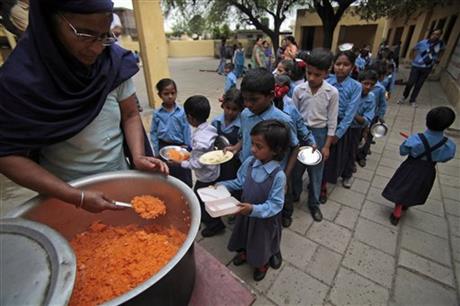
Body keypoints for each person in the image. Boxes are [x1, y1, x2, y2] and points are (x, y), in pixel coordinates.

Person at [0, 0, 168, 213]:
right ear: (50, 22)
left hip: (119, 176)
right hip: (63, 194)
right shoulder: (18, 81)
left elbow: (130, 114)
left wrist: (137, 156)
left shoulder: (112, 62)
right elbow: (6, 155)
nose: (97, 48)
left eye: (104, 36)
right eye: (85, 35)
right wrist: (75, 196)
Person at [224, 68, 299, 227]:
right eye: (245, 99)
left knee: (270, 207)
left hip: (271, 176)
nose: (248, 104)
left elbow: (295, 147)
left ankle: (283, 217)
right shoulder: (245, 114)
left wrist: (286, 176)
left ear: (271, 95)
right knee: (249, 198)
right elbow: (244, 136)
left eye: (254, 100)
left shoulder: (283, 120)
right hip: (249, 170)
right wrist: (236, 147)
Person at [218, 120, 289, 281]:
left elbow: (276, 204)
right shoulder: (250, 162)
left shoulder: (278, 176)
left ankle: (261, 263)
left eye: (259, 146)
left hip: (264, 221)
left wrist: (254, 210)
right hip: (245, 214)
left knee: (261, 243)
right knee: (244, 235)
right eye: (252, 144)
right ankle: (244, 253)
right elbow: (240, 181)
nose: (252, 149)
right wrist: (222, 185)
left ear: (276, 150)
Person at [382, 107, 456, 226]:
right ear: (447, 125)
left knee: (403, 185)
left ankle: (397, 212)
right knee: (417, 188)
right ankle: (407, 204)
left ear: (427, 121)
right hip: (428, 169)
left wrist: (411, 144)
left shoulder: (416, 139)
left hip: (411, 166)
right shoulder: (448, 145)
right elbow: (446, 158)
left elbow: (403, 151)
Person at [291, 48, 339, 221]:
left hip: (319, 135)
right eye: (308, 73)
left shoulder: (332, 93)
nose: (311, 78)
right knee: (296, 171)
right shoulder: (298, 90)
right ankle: (295, 195)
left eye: (317, 75)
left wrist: (326, 146)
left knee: (316, 173)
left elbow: (332, 121)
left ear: (326, 73)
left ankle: (314, 204)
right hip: (300, 134)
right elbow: (293, 117)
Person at [273, 74, 316, 225]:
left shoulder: (290, 107)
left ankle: (287, 213)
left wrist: (311, 141)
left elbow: (300, 125)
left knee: (286, 183)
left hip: (285, 153)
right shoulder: (264, 106)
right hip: (268, 151)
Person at [179, 95, 222, 237]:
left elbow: (197, 163)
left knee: (201, 199)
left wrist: (181, 162)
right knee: (207, 197)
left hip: (205, 175)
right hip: (213, 171)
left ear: (190, 118)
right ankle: (210, 219)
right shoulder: (208, 128)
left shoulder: (199, 139)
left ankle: (214, 224)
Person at [321, 50, 362, 200]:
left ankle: (324, 185)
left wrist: (338, 134)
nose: (341, 68)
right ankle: (319, 181)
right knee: (321, 155)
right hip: (324, 123)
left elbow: (351, 113)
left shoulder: (356, 86)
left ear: (352, 67)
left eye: (346, 65)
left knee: (333, 159)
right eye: (338, 64)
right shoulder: (327, 82)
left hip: (342, 127)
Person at [150, 78, 192, 187]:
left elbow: (186, 129)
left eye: (173, 93)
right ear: (160, 95)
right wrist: (156, 150)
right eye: (166, 93)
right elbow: (153, 132)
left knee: (182, 172)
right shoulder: (157, 114)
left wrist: (187, 146)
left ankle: (186, 191)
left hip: (180, 146)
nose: (170, 96)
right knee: (166, 175)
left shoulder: (181, 112)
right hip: (163, 146)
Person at [398, 28, 445, 107]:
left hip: (427, 67)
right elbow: (413, 49)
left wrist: (438, 59)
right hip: (416, 66)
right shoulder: (423, 42)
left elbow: (442, 51)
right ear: (431, 34)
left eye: (437, 34)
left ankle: (412, 100)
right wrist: (412, 58)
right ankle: (404, 96)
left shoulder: (440, 44)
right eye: (434, 34)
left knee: (419, 84)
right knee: (410, 82)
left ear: (440, 35)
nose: (435, 36)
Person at [344, 70, 376, 184]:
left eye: (371, 85)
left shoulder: (371, 98)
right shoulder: (350, 92)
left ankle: (347, 175)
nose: (368, 87)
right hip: (342, 126)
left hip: (355, 129)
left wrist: (352, 113)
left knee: (352, 152)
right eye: (365, 83)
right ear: (359, 82)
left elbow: (366, 120)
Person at [357, 62, 387, 167]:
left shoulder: (380, 89)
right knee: (357, 137)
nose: (369, 86)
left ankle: (362, 156)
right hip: (359, 117)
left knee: (368, 137)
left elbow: (383, 104)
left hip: (372, 117)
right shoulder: (358, 86)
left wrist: (381, 116)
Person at [212, 88, 244, 183]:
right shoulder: (216, 122)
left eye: (234, 109)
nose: (230, 112)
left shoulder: (242, 126)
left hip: (234, 167)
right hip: (217, 164)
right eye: (227, 108)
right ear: (223, 106)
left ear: (241, 109)